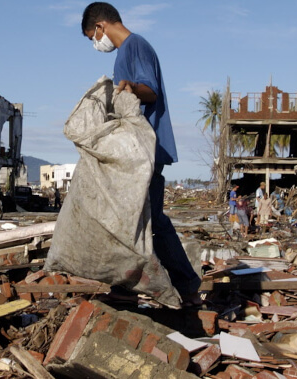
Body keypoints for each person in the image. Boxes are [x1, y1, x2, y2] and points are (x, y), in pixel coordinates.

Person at [81, 2, 200, 306]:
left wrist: (129, 88)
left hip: (145, 150)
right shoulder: (127, 52)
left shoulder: (135, 46)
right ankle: (171, 285)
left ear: (100, 26)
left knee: (144, 220)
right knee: (144, 219)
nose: (96, 44)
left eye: (93, 38)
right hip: (138, 150)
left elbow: (150, 90)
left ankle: (173, 285)